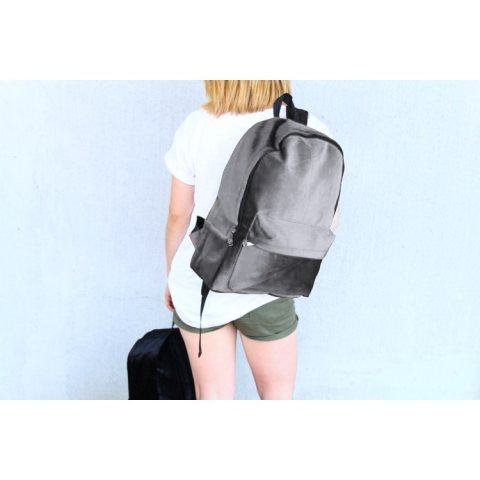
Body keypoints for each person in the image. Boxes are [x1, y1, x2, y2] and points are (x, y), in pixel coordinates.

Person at [164, 80, 340, 400]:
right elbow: (327, 218)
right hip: (269, 281)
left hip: (201, 279)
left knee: (214, 396)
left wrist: (170, 276)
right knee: (277, 395)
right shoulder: (308, 126)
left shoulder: (197, 125)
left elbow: (179, 213)